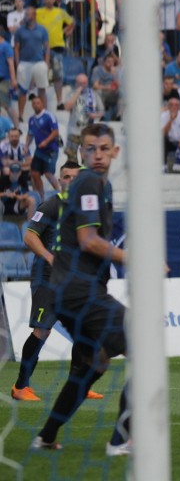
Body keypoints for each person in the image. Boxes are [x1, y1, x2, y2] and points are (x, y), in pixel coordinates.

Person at [31, 124, 131, 455]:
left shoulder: (101, 185)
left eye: (104, 148)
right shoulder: (89, 181)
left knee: (96, 363)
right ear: (81, 153)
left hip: (66, 291)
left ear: (115, 151)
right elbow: (89, 241)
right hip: (79, 290)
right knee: (145, 345)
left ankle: (46, 436)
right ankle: (121, 441)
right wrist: (134, 258)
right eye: (91, 149)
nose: (98, 154)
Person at [12, 161, 103, 401]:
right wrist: (51, 257)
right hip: (47, 279)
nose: (70, 181)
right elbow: (30, 237)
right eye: (66, 177)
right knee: (42, 331)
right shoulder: (52, 205)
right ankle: (21, 386)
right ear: (60, 180)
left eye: (75, 177)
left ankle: (78, 387)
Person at [36, 0, 74, 103]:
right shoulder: (38, 12)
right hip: (42, 47)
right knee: (42, 74)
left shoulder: (61, 12)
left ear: (54, 0)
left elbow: (72, 22)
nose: (48, 0)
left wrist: (67, 31)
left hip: (57, 46)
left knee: (58, 75)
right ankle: (41, 101)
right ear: (43, 0)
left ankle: (59, 101)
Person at [14, 4, 49, 121]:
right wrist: (18, 63)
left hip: (39, 62)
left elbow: (47, 47)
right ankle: (20, 115)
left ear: (34, 15)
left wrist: (47, 63)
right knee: (22, 90)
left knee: (42, 88)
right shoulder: (19, 31)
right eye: (25, 14)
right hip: (24, 63)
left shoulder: (42, 29)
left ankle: (44, 113)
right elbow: (17, 47)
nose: (26, 16)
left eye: (28, 14)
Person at [63, 74, 104, 161]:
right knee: (71, 159)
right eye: (80, 83)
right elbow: (67, 107)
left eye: (84, 83)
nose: (82, 85)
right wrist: (77, 92)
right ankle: (73, 174)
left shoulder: (93, 95)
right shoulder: (71, 94)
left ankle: (84, 174)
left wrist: (94, 115)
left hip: (88, 132)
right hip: (73, 131)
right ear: (76, 83)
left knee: (87, 160)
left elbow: (102, 111)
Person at [27, 94, 59, 199]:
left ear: (42, 104)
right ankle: (41, 197)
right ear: (32, 105)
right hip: (39, 150)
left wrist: (46, 141)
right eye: (34, 103)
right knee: (34, 173)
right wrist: (26, 146)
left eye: (38, 103)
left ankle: (60, 193)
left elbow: (55, 132)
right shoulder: (31, 119)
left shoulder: (49, 116)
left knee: (48, 173)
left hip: (50, 150)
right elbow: (30, 133)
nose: (36, 105)